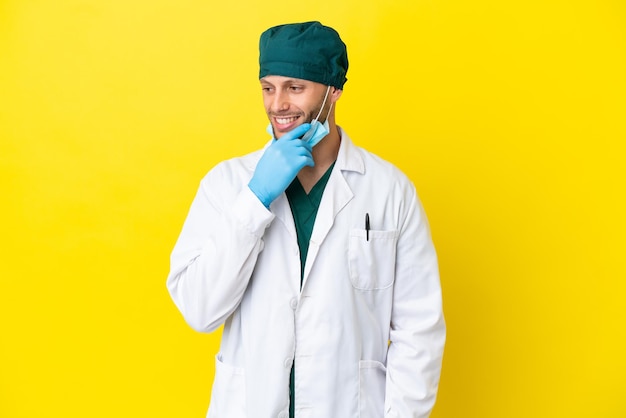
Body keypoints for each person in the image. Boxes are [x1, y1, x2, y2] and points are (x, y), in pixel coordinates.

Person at [167, 21, 446, 418]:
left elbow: (419, 330)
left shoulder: (390, 191)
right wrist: (255, 200)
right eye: (268, 87)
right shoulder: (228, 184)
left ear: (334, 91)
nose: (277, 103)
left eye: (295, 88)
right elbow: (199, 309)